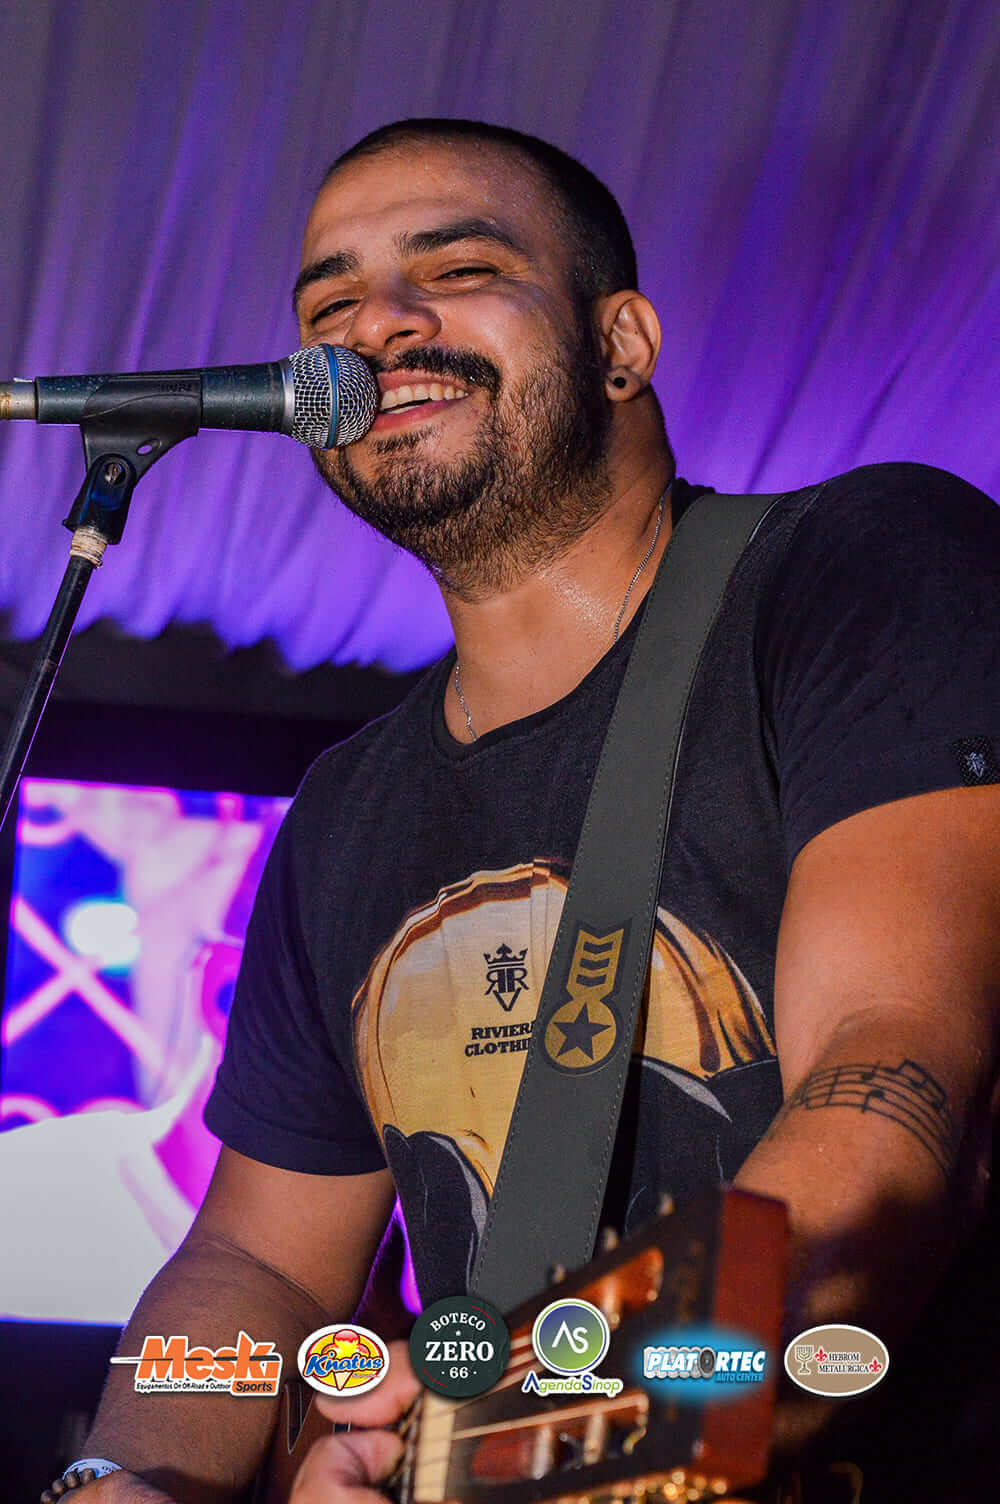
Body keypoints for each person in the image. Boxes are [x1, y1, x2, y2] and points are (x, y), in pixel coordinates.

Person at [64, 120, 999, 1504]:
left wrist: (498, 1446)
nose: (377, 324)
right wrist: (123, 1477)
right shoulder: (346, 811)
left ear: (621, 344)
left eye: (457, 270)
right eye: (328, 308)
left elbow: (896, 1068)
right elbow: (255, 1261)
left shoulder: (861, 565)